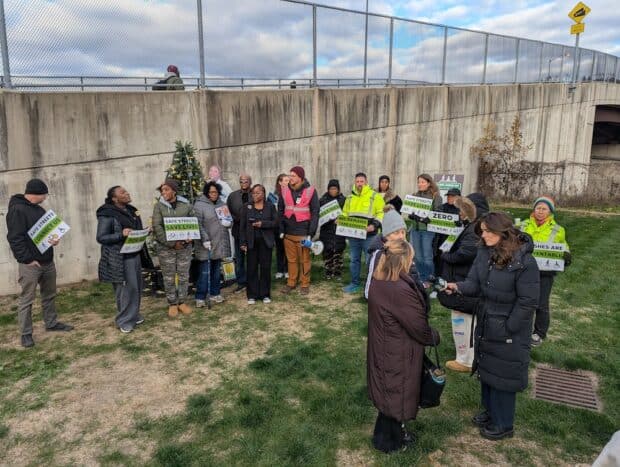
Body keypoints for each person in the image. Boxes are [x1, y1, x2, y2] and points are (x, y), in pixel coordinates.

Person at [444, 212, 539, 440]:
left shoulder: (524, 262)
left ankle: (504, 423)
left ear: (502, 231)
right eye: (482, 230)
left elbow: (528, 302)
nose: (483, 235)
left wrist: (509, 327)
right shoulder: (485, 253)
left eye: (487, 231)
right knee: (487, 370)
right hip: (487, 320)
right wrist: (456, 286)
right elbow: (474, 284)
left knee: (504, 376)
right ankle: (490, 412)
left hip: (508, 328)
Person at [367, 239, 440, 453]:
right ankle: (389, 443)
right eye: (411, 258)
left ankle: (392, 435)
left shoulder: (381, 280)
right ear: (403, 260)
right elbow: (418, 326)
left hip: (385, 344)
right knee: (395, 394)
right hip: (396, 349)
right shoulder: (399, 289)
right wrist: (434, 336)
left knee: (388, 393)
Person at [6, 179, 74, 348]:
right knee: (27, 299)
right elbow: (15, 239)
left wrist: (53, 240)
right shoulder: (17, 210)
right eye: (44, 194)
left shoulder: (39, 209)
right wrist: (27, 259)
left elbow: (44, 234)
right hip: (30, 264)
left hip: (47, 261)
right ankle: (26, 334)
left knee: (49, 295)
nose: (45, 197)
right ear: (36, 193)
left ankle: (51, 323)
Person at [520, 196, 571, 347]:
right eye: (538, 208)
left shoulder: (558, 230)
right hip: (523, 270)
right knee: (521, 300)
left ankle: (539, 333)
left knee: (541, 303)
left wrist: (566, 256)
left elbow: (564, 247)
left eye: (544, 209)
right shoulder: (522, 225)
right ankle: (521, 328)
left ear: (550, 212)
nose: (540, 211)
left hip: (545, 273)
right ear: (533, 209)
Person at [96, 186, 146, 333]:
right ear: (114, 198)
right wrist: (121, 235)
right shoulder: (107, 214)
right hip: (118, 257)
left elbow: (135, 230)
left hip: (134, 253)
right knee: (124, 289)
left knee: (136, 287)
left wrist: (144, 232)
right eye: (122, 193)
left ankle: (133, 314)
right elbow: (101, 237)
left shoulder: (132, 210)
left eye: (126, 191)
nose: (127, 193)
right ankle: (124, 320)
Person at [437, 196, 479, 372]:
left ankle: (466, 360)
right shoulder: (469, 228)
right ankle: (467, 357)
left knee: (464, 321)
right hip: (463, 279)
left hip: (463, 280)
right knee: (465, 320)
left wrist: (445, 256)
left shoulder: (473, 231)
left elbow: (465, 254)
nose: (459, 213)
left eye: (461, 210)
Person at [152, 179, 194, 317]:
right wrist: (171, 243)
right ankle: (172, 303)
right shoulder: (159, 206)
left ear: (174, 191)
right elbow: (157, 227)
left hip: (184, 247)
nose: (163, 192)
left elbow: (193, 222)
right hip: (166, 249)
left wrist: (191, 236)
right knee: (169, 276)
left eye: (166, 189)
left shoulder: (186, 205)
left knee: (183, 275)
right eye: (162, 190)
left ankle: (182, 301)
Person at [278, 166, 320, 295]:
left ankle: (305, 283)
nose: (290, 178)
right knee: (291, 260)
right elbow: (280, 211)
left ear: (300, 177)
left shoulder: (311, 191)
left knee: (304, 260)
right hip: (288, 232)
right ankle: (291, 282)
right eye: (290, 175)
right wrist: (281, 229)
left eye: (293, 176)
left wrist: (311, 232)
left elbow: (315, 212)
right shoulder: (284, 191)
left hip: (303, 232)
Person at [342, 172, 385, 294]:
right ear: (355, 182)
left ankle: (371, 284)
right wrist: (340, 220)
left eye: (362, 181)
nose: (359, 183)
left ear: (366, 182)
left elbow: (381, 212)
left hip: (370, 236)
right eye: (357, 181)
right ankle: (355, 283)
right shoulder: (350, 197)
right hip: (354, 235)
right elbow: (345, 213)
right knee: (354, 260)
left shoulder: (374, 196)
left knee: (370, 260)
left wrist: (374, 225)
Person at [193, 181, 232, 307]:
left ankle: (215, 293)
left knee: (216, 271)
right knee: (205, 272)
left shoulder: (222, 204)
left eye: (215, 192)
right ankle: (200, 296)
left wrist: (228, 223)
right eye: (211, 192)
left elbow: (228, 221)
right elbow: (197, 224)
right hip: (207, 244)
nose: (213, 194)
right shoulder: (199, 205)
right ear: (206, 192)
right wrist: (204, 239)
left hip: (219, 243)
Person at [240, 184, 278, 304]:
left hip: (266, 242)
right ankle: (252, 295)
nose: (255, 195)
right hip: (251, 242)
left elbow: (275, 223)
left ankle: (265, 294)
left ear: (263, 193)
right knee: (251, 268)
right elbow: (242, 226)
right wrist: (243, 242)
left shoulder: (270, 206)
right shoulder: (247, 207)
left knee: (265, 268)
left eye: (257, 193)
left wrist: (263, 224)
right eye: (253, 193)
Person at [408, 173, 443, 284]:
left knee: (427, 256)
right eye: (419, 182)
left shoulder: (436, 196)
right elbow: (409, 211)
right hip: (415, 229)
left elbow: (439, 212)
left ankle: (430, 279)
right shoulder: (414, 195)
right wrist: (411, 215)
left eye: (422, 182)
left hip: (428, 231)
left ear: (429, 183)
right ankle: (421, 279)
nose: (420, 184)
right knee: (417, 257)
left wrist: (429, 218)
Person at [227, 173, 252, 293]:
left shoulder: (255, 193)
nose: (243, 183)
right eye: (241, 181)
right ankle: (241, 282)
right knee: (240, 257)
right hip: (238, 231)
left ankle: (253, 280)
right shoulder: (232, 196)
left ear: (250, 182)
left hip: (253, 231)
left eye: (246, 181)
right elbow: (227, 212)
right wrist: (235, 218)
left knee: (253, 257)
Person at [318, 179, 346, 280]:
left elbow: (347, 213)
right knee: (327, 251)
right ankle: (328, 271)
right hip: (326, 230)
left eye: (335, 188)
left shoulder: (344, 200)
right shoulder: (322, 200)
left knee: (338, 251)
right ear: (328, 189)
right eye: (331, 188)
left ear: (338, 189)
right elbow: (318, 214)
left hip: (339, 231)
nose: (333, 190)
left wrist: (341, 219)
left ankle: (338, 272)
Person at [433, 188, 461, 273]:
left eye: (452, 196)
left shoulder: (462, 210)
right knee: (439, 259)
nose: (449, 198)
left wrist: (461, 223)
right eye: (448, 196)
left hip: (455, 241)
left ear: (458, 198)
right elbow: (433, 220)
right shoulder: (441, 207)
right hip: (440, 239)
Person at [273, 174, 290, 280]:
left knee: (288, 248)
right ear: (280, 182)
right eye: (285, 180)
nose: (288, 182)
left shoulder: (290, 193)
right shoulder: (274, 195)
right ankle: (280, 270)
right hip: (277, 225)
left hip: (288, 225)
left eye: (288, 180)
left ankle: (287, 270)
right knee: (279, 248)